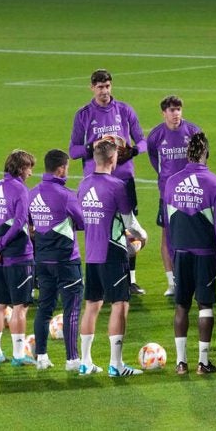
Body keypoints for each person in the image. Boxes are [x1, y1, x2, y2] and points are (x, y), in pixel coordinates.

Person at [70, 69, 148, 295]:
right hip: (96, 182)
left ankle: (130, 279)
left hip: (123, 179)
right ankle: (101, 280)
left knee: (129, 227)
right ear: (92, 88)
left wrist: (131, 151)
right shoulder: (83, 115)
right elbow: (73, 150)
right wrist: (92, 147)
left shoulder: (124, 110)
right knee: (98, 227)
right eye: (100, 87)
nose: (104, 91)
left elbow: (142, 141)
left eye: (107, 86)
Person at [77, 138, 148, 377]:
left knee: (92, 306)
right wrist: (143, 236)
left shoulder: (83, 185)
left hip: (92, 254)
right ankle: (116, 365)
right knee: (120, 305)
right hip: (113, 253)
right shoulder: (117, 186)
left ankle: (85, 362)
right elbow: (130, 223)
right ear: (113, 159)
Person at [163, 133, 216, 375]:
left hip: (180, 251)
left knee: (181, 306)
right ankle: (203, 362)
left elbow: (169, 222)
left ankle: (181, 363)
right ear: (206, 154)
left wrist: (172, 252)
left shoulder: (171, 182)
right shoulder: (214, 183)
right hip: (205, 253)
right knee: (205, 306)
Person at [29, 150, 85, 371]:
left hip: (42, 260)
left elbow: (30, 224)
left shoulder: (32, 193)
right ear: (61, 168)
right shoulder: (66, 195)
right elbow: (81, 222)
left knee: (44, 308)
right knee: (71, 309)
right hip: (66, 260)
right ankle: (72, 360)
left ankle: (41, 357)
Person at [0, 149, 35, 367]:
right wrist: (1, 246)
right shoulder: (20, 190)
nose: (31, 173)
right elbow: (21, 221)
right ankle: (19, 355)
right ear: (21, 169)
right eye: (30, 168)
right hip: (18, 255)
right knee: (20, 306)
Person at [146, 95, 202, 297]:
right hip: (168, 196)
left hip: (191, 194)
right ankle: (172, 282)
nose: (176, 113)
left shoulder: (193, 131)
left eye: (178, 109)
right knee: (168, 237)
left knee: (194, 235)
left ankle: (195, 279)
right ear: (164, 113)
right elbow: (155, 159)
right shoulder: (155, 136)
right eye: (171, 110)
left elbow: (203, 159)